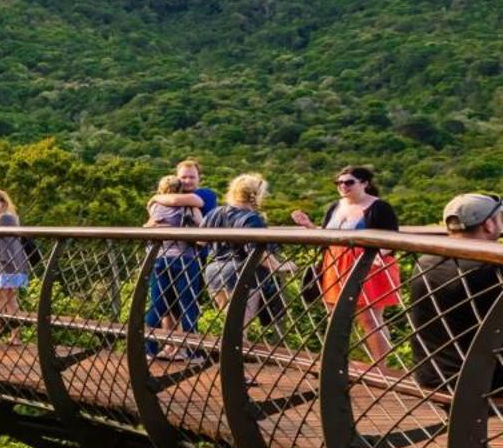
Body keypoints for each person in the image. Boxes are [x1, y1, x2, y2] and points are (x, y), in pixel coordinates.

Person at [291, 165, 401, 370]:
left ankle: (380, 367)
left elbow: (392, 238)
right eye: (339, 182)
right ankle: (335, 363)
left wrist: (379, 256)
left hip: (367, 266)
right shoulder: (334, 207)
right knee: (335, 316)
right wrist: (310, 227)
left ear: (365, 183)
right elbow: (327, 237)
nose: (343, 186)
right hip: (334, 264)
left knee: (370, 319)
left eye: (349, 182)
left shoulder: (379, 207)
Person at [409, 192, 502, 392]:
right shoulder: (492, 268)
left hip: (432, 374)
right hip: (485, 380)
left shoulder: (425, 262)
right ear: (489, 225)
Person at [201, 173, 286, 330]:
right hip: (242, 273)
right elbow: (257, 252)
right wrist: (279, 266)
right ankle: (235, 354)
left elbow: (200, 240)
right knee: (239, 328)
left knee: (229, 324)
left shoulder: (215, 212)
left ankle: (226, 353)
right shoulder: (252, 218)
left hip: (214, 271)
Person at [144, 173, 203, 361]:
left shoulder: (154, 206)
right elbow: (203, 231)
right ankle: (191, 351)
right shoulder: (190, 206)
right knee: (188, 306)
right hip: (185, 258)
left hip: (159, 258)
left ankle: (148, 348)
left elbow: (149, 227)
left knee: (158, 305)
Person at [0, 189, 29, 336]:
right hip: (10, 263)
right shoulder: (11, 217)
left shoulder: (4, 218)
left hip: (3, 264)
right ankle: (15, 336)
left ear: (3, 203)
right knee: (10, 300)